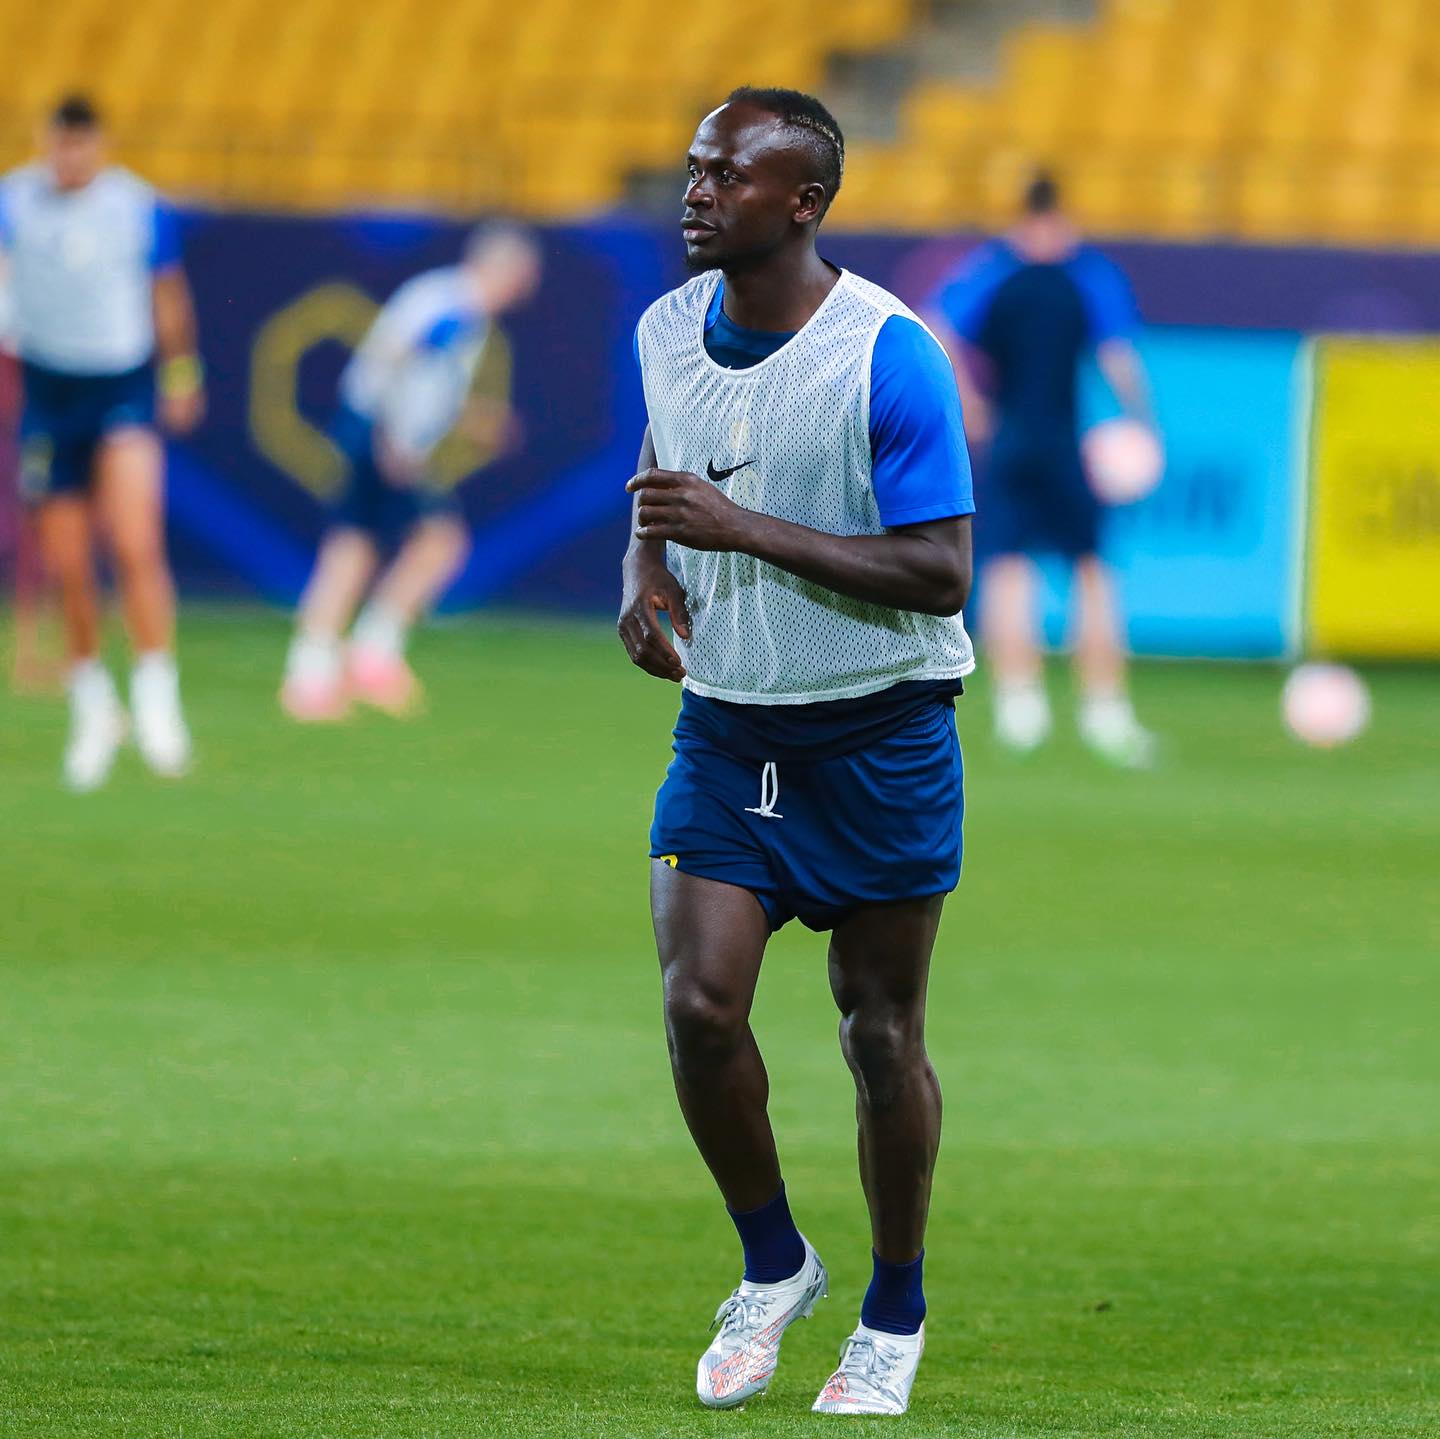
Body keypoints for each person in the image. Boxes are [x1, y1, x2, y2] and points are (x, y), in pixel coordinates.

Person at [619, 87, 975, 1417]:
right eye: (693, 163)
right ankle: (775, 1266)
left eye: (726, 173)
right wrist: (645, 558)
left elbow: (941, 570)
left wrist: (740, 528)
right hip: (728, 730)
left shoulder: (889, 354)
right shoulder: (666, 327)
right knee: (698, 1006)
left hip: (882, 734)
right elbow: (672, 451)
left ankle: (893, 1309)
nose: (694, 188)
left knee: (879, 1036)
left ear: (804, 203)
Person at [0, 94, 204, 790]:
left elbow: (167, 292)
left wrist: (181, 372)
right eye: (59, 145)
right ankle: (93, 707)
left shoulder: (135, 206)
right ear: (44, 143)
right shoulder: (13, 202)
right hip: (51, 395)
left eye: (81, 145)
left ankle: (157, 697)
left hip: (120, 384)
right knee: (67, 563)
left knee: (135, 541)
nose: (69, 158)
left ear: (100, 146)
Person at [926, 171, 1158, 767]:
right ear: (1061, 216)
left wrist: (969, 404)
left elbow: (935, 326)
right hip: (1063, 441)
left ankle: (1020, 708)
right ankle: (1104, 711)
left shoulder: (994, 269)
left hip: (1010, 439)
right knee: (1089, 571)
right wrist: (1141, 421)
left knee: (1009, 568)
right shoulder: (1086, 273)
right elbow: (1117, 356)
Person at [280, 224, 540, 721]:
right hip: (379, 433)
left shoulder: (454, 305)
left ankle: (334, 665)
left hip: (380, 430)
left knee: (368, 545)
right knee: (403, 545)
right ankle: (348, 662)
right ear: (503, 269)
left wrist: (468, 419)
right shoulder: (454, 308)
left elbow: (424, 377)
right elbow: (394, 357)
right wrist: (392, 437)